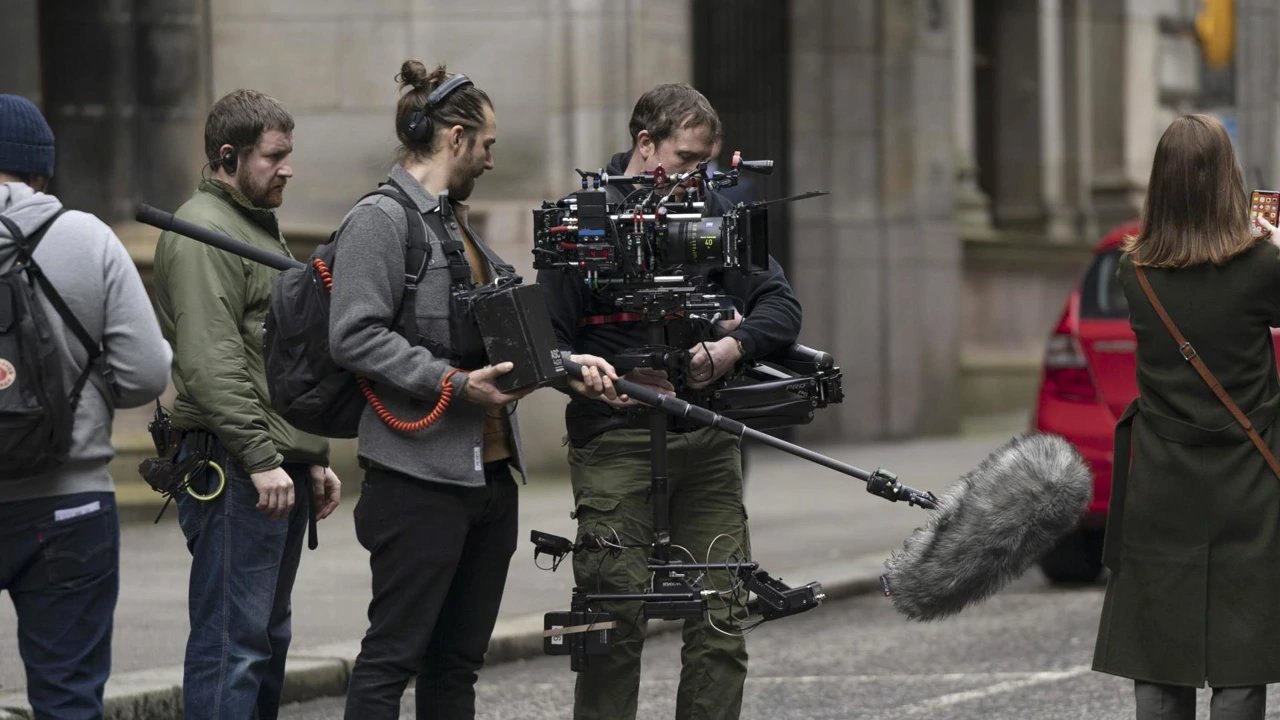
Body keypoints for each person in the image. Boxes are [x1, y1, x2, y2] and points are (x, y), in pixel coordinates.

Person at [329, 61, 617, 720]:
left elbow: (506, 335)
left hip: (488, 479)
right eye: (486, 144)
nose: (491, 160)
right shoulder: (379, 219)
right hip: (417, 483)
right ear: (454, 138)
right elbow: (353, 335)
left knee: (456, 666)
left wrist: (570, 366)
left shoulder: (457, 225)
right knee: (392, 658)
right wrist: (454, 385)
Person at [537, 83, 803, 720]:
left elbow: (781, 304)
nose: (696, 176)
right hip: (614, 439)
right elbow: (545, 341)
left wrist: (730, 350)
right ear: (646, 144)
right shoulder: (583, 218)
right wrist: (594, 375)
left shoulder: (713, 215)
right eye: (685, 159)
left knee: (722, 615)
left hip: (705, 438)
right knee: (610, 618)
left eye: (704, 163)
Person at [152, 89, 342, 720]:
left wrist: (310, 453)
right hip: (236, 467)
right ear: (229, 156)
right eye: (274, 157)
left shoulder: (251, 224)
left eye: (288, 155)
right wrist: (263, 457)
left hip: (268, 464)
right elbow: (211, 363)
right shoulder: (204, 232)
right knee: (233, 646)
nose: (288, 169)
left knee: (263, 639)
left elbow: (276, 355)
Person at [1092, 113, 1280, 720]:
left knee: (1158, 655)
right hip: (1249, 475)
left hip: (1162, 476)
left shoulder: (1134, 270)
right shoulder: (1262, 266)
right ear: (1228, 179)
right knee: (1242, 656)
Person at [0, 94, 171, 719]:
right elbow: (145, 375)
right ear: (42, 172)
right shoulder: (87, 237)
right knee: (68, 698)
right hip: (69, 506)